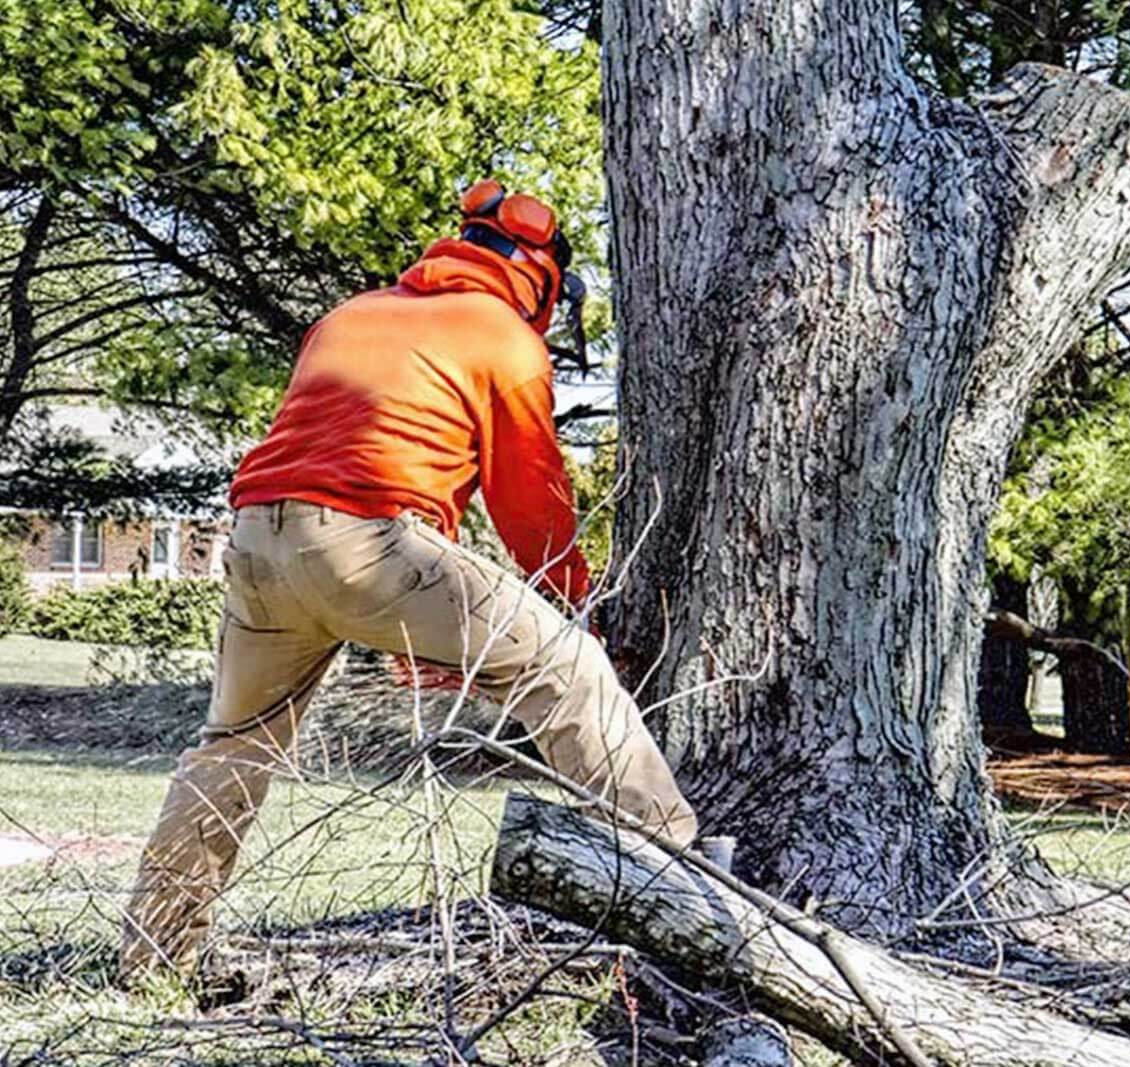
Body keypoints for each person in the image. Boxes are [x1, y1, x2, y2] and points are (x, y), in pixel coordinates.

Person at [119, 180, 698, 980]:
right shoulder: (502, 336)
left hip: (257, 540)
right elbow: (529, 505)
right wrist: (577, 609)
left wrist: (421, 631)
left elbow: (371, 455)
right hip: (368, 539)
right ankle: (693, 885)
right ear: (540, 278)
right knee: (571, 673)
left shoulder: (350, 316)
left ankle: (157, 948)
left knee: (235, 746)